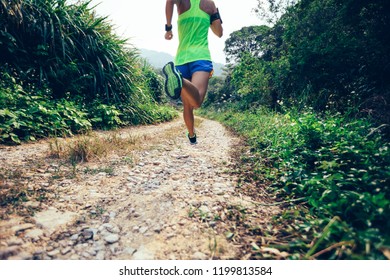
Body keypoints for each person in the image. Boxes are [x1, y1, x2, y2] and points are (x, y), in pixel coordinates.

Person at [163, 0, 223, 144]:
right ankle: (180, 79)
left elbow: (169, 1)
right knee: (196, 102)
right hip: (201, 58)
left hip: (181, 59)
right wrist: (215, 14)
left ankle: (191, 135)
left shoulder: (182, 2)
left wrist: (168, 27)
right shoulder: (210, 4)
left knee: (188, 105)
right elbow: (219, 33)